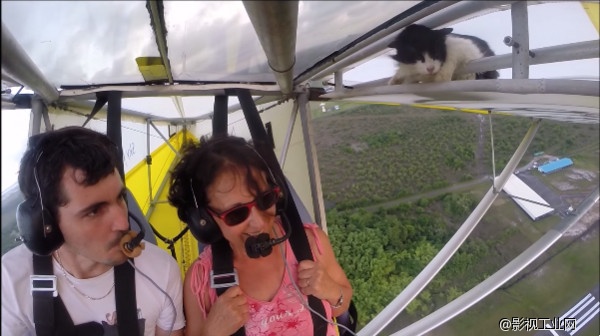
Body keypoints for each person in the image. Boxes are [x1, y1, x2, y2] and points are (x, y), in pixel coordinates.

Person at [1, 126, 185, 335]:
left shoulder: (161, 271)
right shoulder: (11, 280)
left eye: (120, 198)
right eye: (94, 211)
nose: (123, 224)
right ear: (46, 224)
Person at [168, 135, 353, 336]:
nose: (259, 223)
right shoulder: (201, 281)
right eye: (236, 213)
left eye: (265, 200)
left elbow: (342, 305)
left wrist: (332, 291)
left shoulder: (310, 244)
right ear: (206, 221)